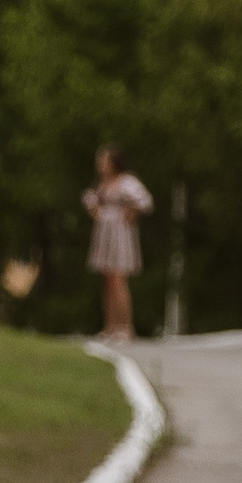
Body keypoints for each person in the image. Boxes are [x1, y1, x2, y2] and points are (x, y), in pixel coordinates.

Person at [81, 144, 150, 340]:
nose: (100, 164)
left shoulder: (126, 181)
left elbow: (144, 201)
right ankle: (110, 326)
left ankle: (126, 326)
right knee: (108, 278)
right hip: (105, 230)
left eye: (104, 160)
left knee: (119, 277)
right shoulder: (101, 183)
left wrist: (130, 214)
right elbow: (91, 202)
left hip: (120, 231)